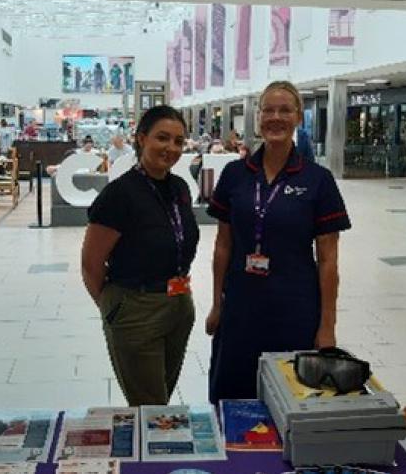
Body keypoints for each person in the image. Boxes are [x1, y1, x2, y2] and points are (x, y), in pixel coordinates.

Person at [206, 80, 352, 404]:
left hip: (295, 310)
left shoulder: (318, 180)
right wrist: (217, 304)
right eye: (268, 110)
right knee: (232, 396)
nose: (276, 117)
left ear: (298, 117)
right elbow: (223, 246)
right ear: (258, 118)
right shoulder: (234, 174)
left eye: (285, 110)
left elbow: (328, 260)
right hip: (241, 307)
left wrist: (327, 326)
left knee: (290, 398)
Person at [81, 105, 199, 406]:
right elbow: (91, 263)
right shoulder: (120, 194)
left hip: (179, 304)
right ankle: (149, 452)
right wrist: (115, 309)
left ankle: (152, 447)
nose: (170, 148)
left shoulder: (179, 188)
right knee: (150, 406)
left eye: (178, 141)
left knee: (161, 395)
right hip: (136, 308)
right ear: (141, 138)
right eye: (162, 138)